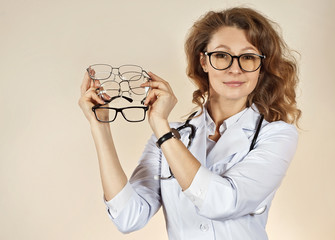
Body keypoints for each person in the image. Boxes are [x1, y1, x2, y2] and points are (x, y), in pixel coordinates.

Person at [78, 7, 301, 240]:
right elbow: (129, 217)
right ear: (203, 61)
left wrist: (162, 129)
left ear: (261, 67)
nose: (235, 69)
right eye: (222, 56)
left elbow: (223, 202)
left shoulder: (276, 135)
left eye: (248, 57)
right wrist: (100, 126)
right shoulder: (170, 137)